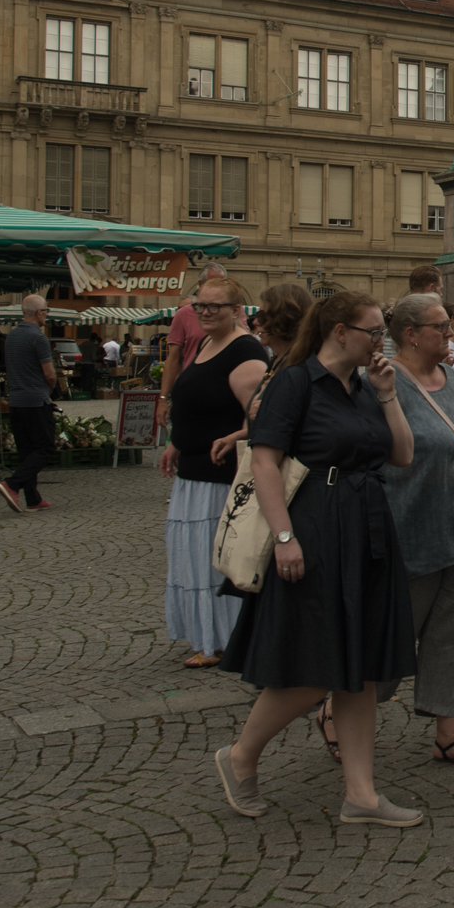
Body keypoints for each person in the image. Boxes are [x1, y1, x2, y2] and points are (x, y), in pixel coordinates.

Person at [214, 289, 423, 827]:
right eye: (374, 330)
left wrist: (387, 394)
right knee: (315, 665)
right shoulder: (292, 382)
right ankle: (240, 756)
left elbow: (401, 455)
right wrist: (285, 537)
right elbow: (264, 462)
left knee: (363, 667)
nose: (382, 341)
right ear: (339, 332)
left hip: (367, 526)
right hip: (314, 525)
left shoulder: (365, 386)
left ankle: (362, 794)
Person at [379, 292, 454, 770]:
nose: (451, 329)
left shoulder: (451, 375)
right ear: (411, 334)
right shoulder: (384, 383)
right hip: (411, 530)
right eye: (441, 324)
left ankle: (450, 735)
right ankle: (339, 708)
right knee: (393, 635)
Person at [161, 276, 267, 669]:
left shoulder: (246, 353)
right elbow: (196, 399)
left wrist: (232, 435)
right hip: (193, 471)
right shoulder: (207, 342)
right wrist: (178, 441)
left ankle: (223, 640)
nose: (203, 313)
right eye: (198, 306)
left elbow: (262, 418)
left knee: (214, 561)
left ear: (236, 311)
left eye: (213, 308)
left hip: (220, 478)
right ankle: (208, 635)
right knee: (191, 557)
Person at [0, 293, 57, 513]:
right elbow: (49, 374)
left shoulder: (11, 336)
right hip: (35, 400)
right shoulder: (38, 338)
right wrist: (49, 391)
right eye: (46, 312)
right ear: (39, 313)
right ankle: (12, 485)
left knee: (26, 450)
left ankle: (33, 498)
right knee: (46, 447)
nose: (46, 316)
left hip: (16, 400)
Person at [157, 262, 224, 431]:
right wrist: (163, 398)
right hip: (192, 392)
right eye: (212, 284)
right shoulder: (184, 314)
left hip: (225, 391)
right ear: (200, 285)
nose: (219, 289)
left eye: (223, 284)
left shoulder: (233, 313)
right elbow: (173, 358)